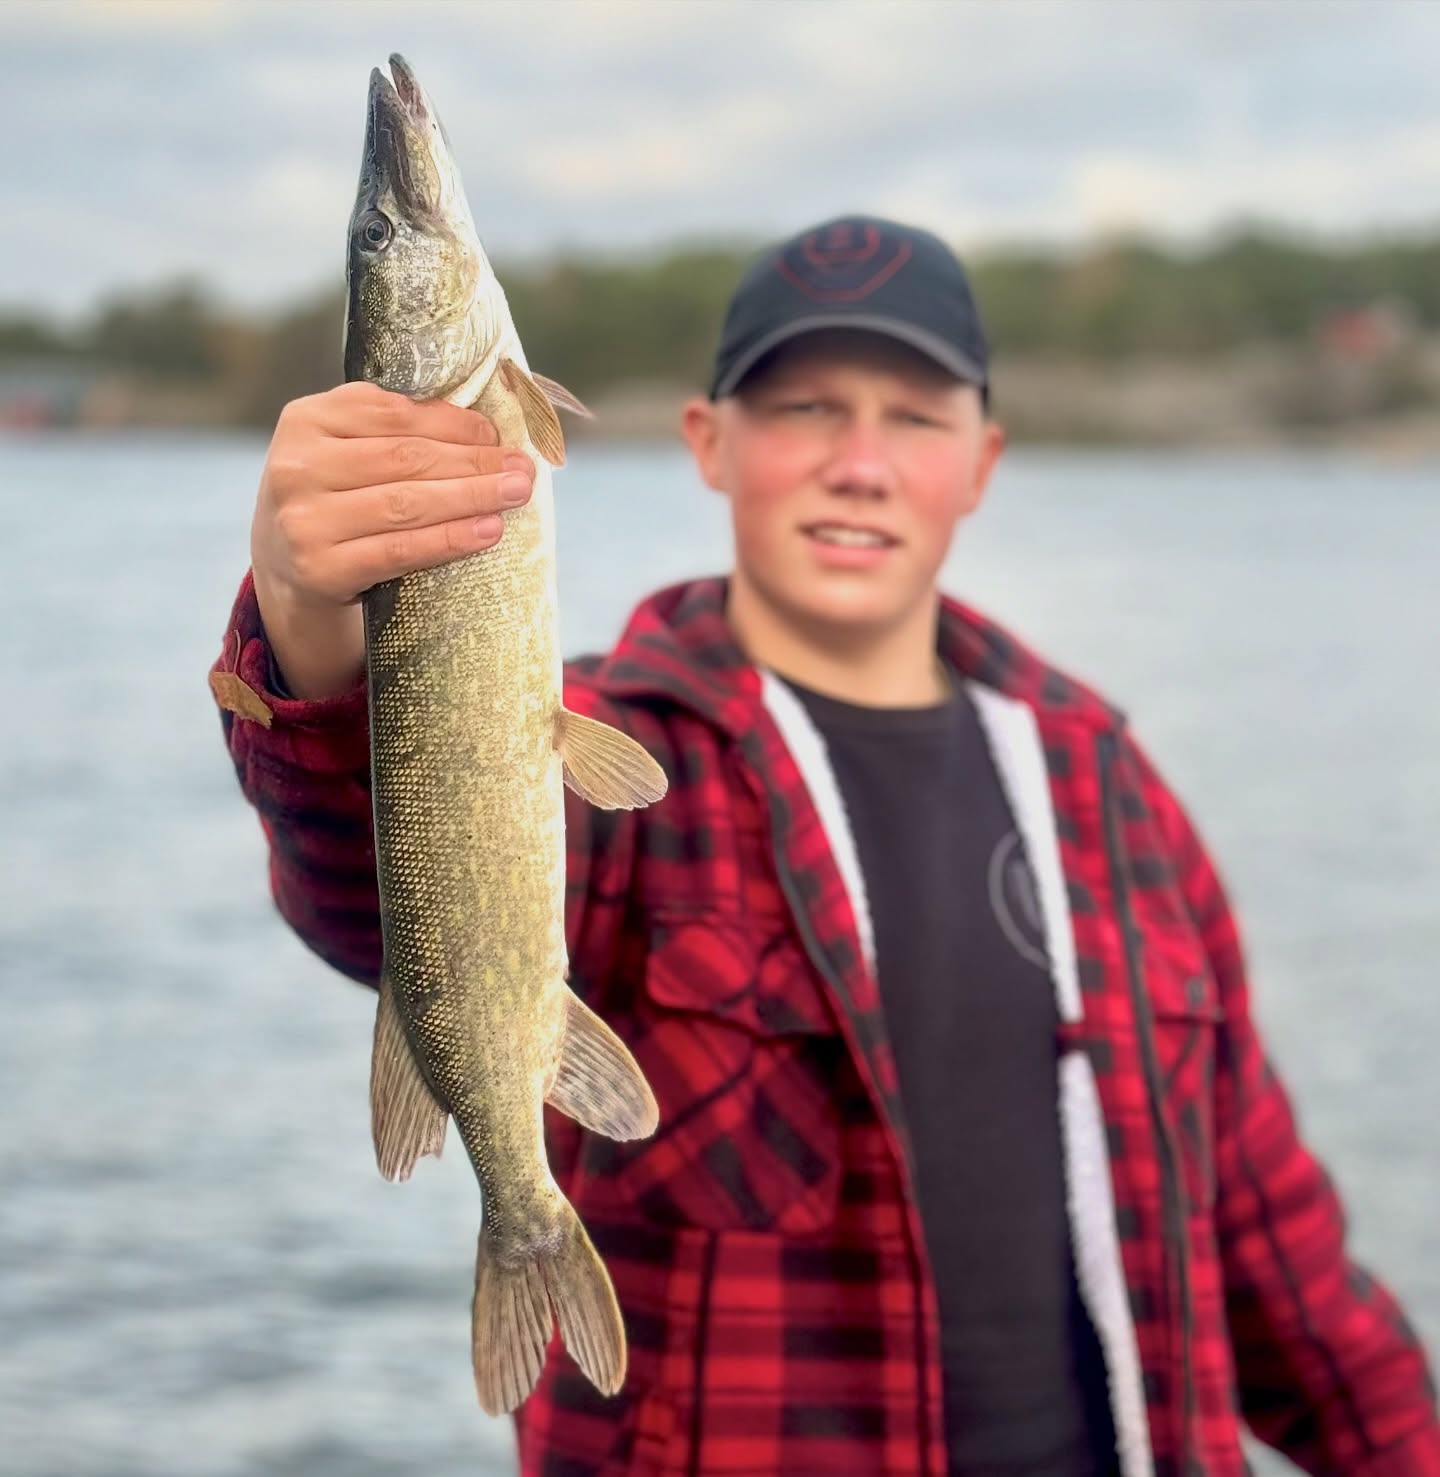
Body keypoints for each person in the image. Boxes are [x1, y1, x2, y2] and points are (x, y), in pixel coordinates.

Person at [214, 216, 1439, 1477]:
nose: (860, 463)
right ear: (710, 443)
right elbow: (372, 893)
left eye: (915, 417)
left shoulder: (1109, 789)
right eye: (804, 408)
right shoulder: (620, 772)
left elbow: (1277, 1259)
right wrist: (305, 622)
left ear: (981, 462)